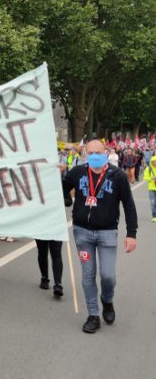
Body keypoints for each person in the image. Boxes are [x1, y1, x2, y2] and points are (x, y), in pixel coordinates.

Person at [62, 139, 138, 334]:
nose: (95, 155)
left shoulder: (118, 175)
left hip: (107, 233)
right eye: (91, 152)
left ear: (106, 152)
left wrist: (131, 233)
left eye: (98, 152)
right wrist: (65, 196)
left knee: (108, 276)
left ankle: (107, 299)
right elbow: (61, 187)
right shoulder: (77, 172)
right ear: (85, 154)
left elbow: (128, 205)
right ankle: (93, 315)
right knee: (88, 275)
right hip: (82, 233)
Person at [142, 155, 156, 222]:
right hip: (151, 188)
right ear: (151, 162)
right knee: (152, 203)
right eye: (153, 162)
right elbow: (145, 178)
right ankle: (154, 216)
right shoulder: (148, 169)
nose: (155, 163)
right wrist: (151, 178)